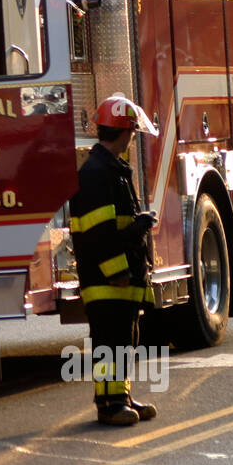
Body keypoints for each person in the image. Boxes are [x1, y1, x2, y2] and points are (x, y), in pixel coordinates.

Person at [67, 95, 160, 426]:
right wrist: (118, 271)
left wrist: (137, 225)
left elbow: (111, 226)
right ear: (126, 132)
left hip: (119, 279)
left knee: (124, 338)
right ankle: (108, 405)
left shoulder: (112, 170)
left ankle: (121, 397)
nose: (134, 137)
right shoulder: (96, 174)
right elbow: (96, 233)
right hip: (107, 279)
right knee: (109, 341)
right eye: (133, 131)